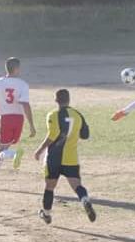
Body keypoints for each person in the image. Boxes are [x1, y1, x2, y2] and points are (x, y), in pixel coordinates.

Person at [33, 89, 96, 224]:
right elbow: (85, 135)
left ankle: (47, 214)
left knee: (50, 187)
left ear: (56, 100)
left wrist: (39, 150)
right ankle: (85, 199)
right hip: (71, 158)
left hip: (54, 158)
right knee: (77, 185)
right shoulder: (78, 115)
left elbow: (53, 135)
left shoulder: (52, 114)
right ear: (69, 100)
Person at [0, 57, 36, 189]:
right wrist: (31, 125)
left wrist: (0, 113)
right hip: (19, 119)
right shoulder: (23, 84)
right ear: (16, 68)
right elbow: (25, 104)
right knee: (1, 153)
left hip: (5, 118)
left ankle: (14, 154)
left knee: (1, 152)